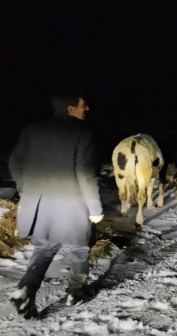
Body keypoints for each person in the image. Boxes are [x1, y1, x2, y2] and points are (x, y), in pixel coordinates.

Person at [8, 90, 104, 319]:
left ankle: (25, 290)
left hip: (39, 205)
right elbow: (85, 173)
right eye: (83, 105)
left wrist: (25, 189)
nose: (87, 109)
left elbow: (14, 162)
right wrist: (95, 209)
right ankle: (77, 293)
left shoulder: (32, 130)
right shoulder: (83, 133)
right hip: (71, 205)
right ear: (71, 108)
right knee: (79, 249)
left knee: (43, 248)